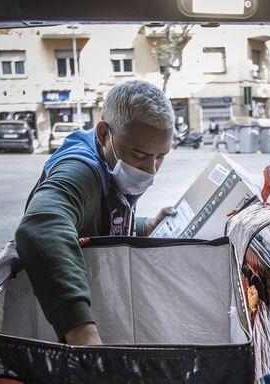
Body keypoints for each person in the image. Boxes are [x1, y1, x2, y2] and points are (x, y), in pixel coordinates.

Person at [15, 80, 175, 346]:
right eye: (139, 155)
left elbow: (98, 221)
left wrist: (144, 226)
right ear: (103, 134)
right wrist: (82, 333)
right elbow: (41, 227)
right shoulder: (79, 170)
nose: (151, 169)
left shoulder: (111, 162)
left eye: (161, 156)